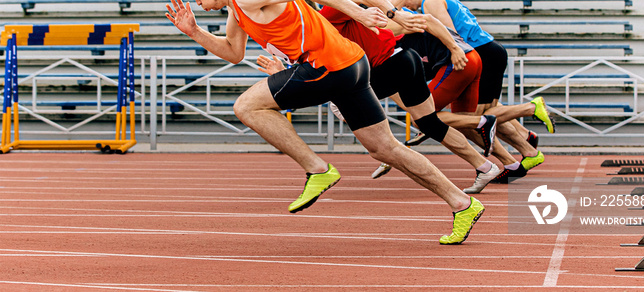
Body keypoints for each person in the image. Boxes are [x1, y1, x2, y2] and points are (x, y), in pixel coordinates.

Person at [166, 0, 483, 244]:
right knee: (385, 148)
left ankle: (317, 169)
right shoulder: (237, 10)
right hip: (351, 64)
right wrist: (195, 32)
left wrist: (366, 13)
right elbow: (234, 52)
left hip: (327, 65)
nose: (196, 3)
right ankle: (461, 202)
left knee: (246, 106)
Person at [258, 3, 502, 193]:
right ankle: (485, 166)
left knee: (341, 103)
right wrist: (282, 71)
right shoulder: (308, 30)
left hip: (388, 66)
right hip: (404, 60)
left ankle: (389, 148)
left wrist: (392, 13)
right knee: (428, 122)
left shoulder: (328, 13)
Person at [399, 0, 555, 183]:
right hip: (485, 50)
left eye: (406, 2)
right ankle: (527, 145)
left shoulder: (431, 2)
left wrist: (455, 51)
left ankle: (529, 109)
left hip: (478, 53)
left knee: (476, 118)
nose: (407, 6)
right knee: (471, 116)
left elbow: (451, 34)